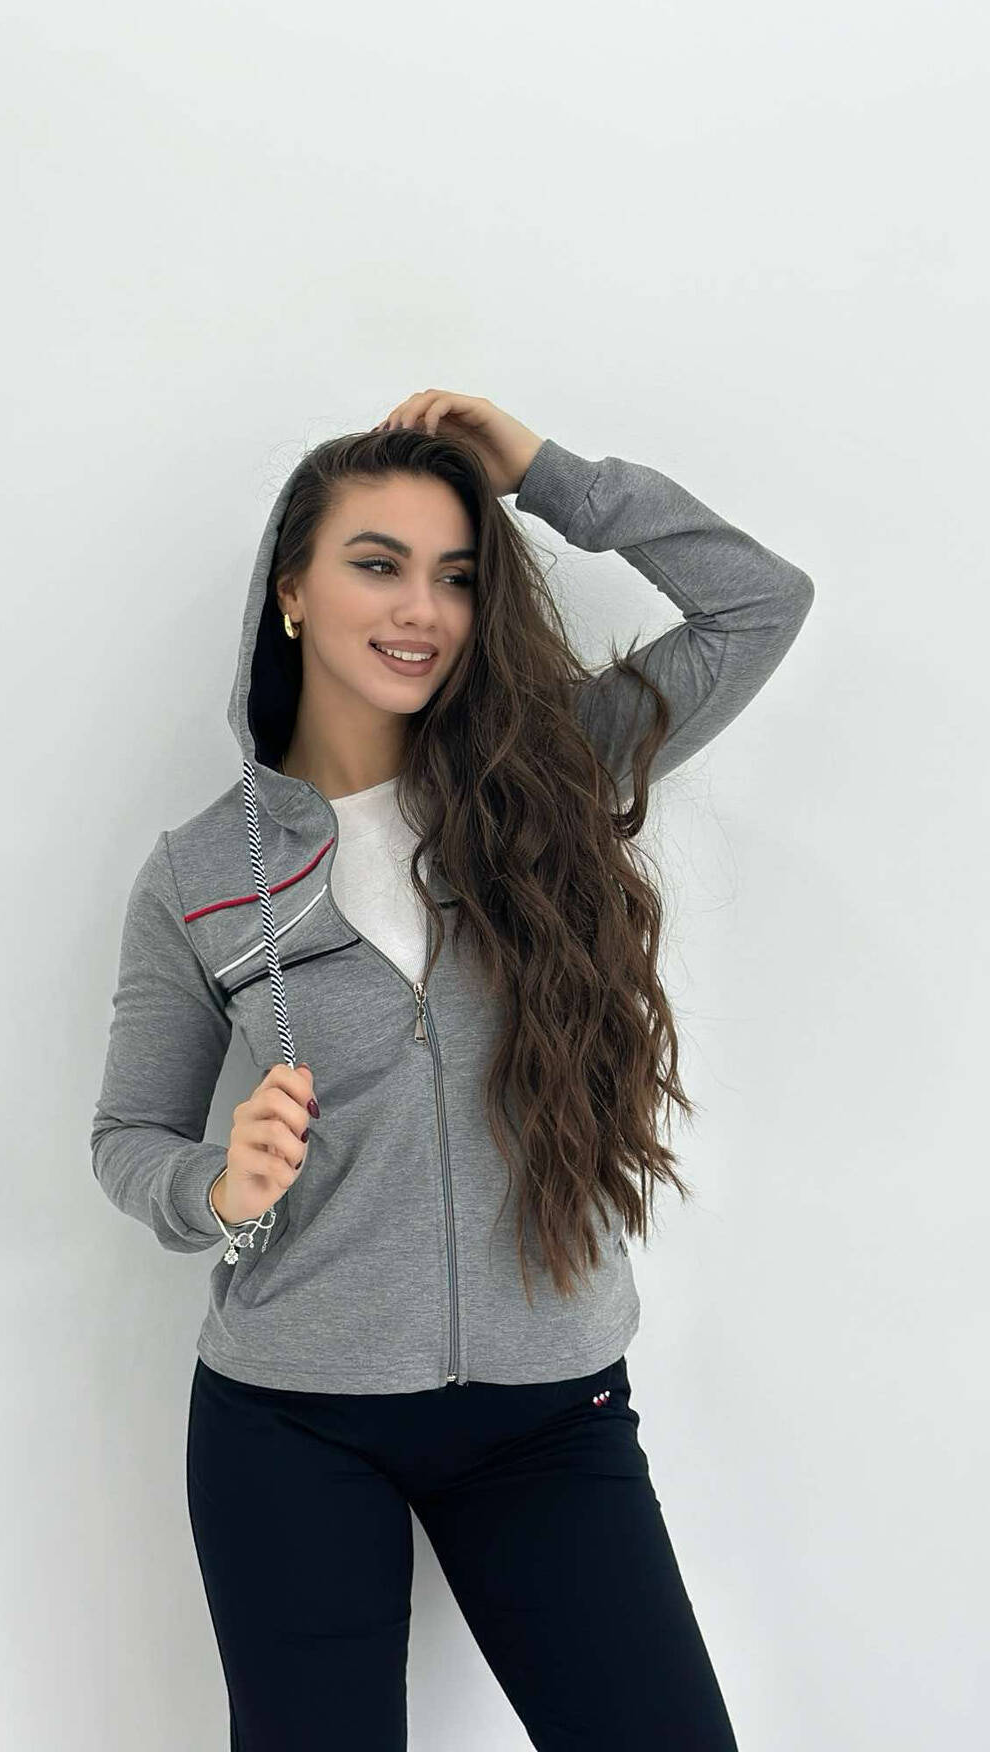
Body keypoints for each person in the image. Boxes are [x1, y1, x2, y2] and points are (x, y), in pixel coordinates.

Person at [90, 390, 815, 1750]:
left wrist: (547, 474)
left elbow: (759, 604)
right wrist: (216, 1187)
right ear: (292, 592)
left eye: (457, 575)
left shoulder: (553, 778)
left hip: (550, 1415)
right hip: (292, 1421)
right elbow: (129, 1132)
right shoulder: (199, 872)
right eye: (378, 564)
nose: (421, 608)